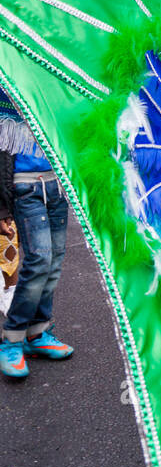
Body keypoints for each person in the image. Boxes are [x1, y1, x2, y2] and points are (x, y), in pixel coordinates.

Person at [0, 94, 73, 381]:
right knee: (38, 260)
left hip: (56, 184)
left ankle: (38, 332)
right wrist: (2, 209)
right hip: (24, 188)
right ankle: (12, 339)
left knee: (54, 262)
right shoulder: (7, 84)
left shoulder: (47, 81)